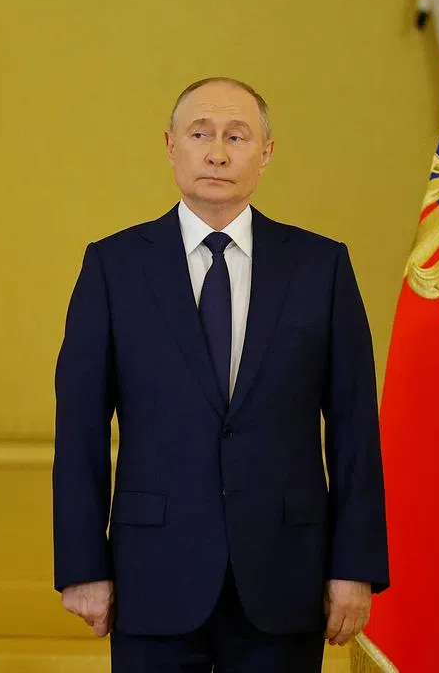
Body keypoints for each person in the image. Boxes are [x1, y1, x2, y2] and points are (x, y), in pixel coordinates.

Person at [52, 77, 389, 671]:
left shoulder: (321, 267)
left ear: (266, 152)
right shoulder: (113, 266)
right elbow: (79, 428)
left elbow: (355, 427)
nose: (217, 153)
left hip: (286, 572)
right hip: (153, 571)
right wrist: (83, 566)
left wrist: (354, 566)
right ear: (170, 145)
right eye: (200, 134)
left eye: (237, 136)